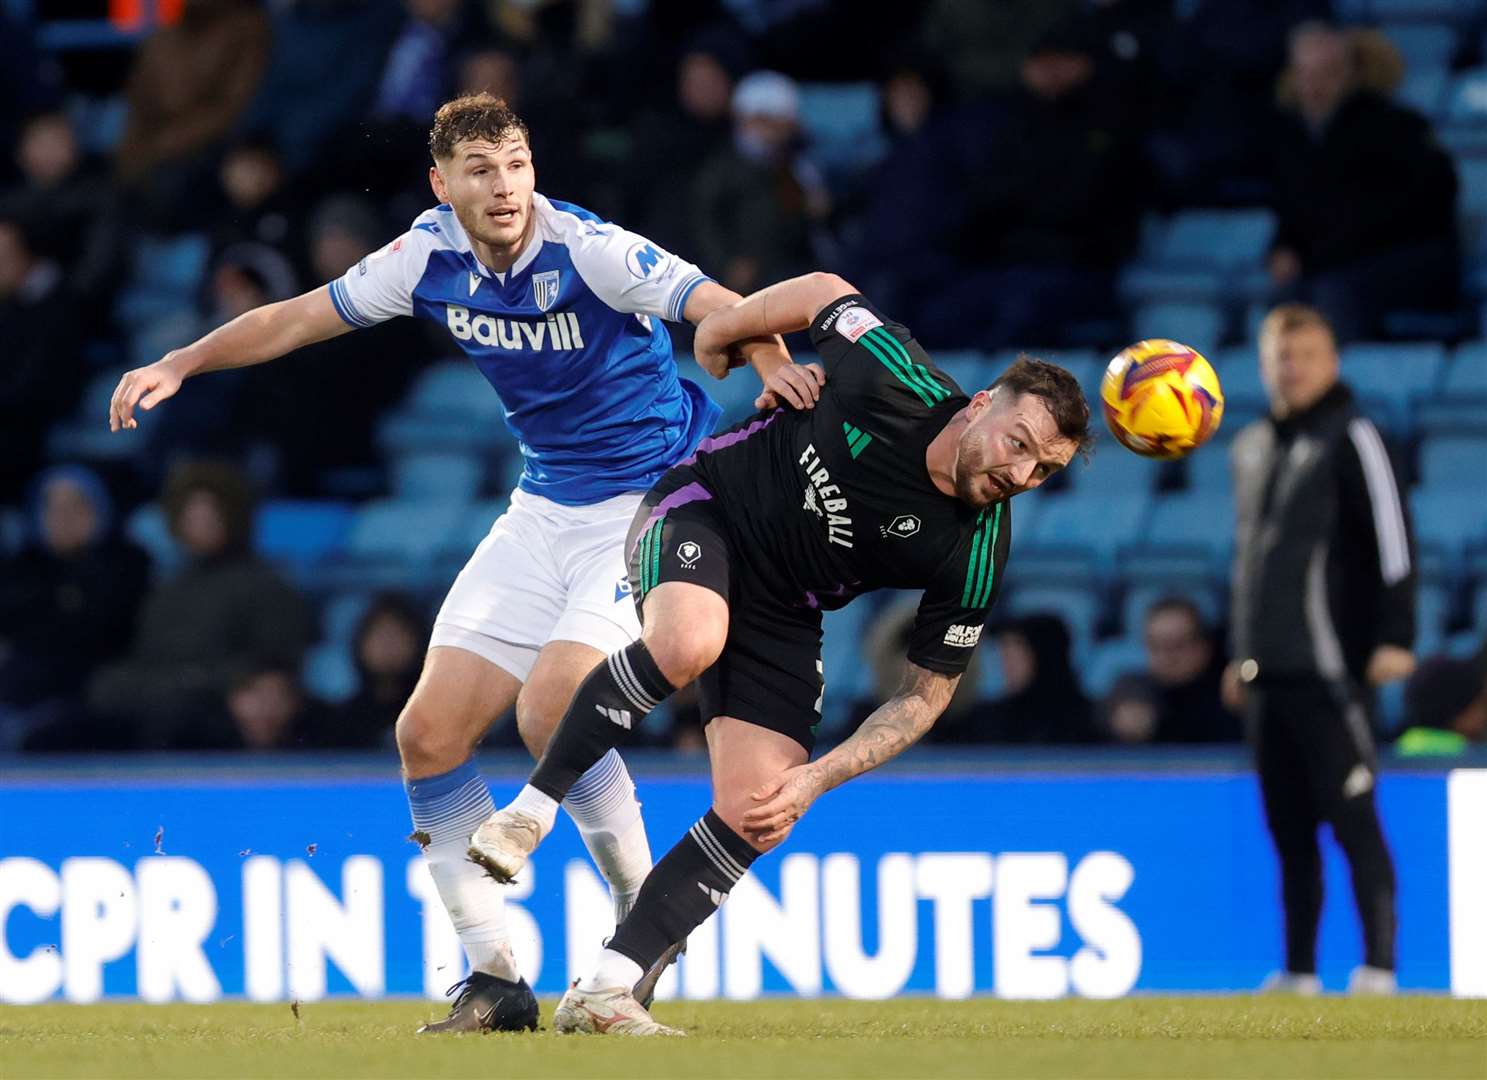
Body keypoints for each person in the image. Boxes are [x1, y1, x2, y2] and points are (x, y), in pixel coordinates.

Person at [107, 92, 818, 1033]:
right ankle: (493, 979)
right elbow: (294, 320)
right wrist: (182, 363)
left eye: (517, 164)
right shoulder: (423, 256)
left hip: (644, 504)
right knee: (428, 736)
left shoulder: (590, 249)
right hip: (542, 505)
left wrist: (769, 362)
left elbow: (717, 305)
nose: (505, 187)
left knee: (550, 708)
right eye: (482, 171)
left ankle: (642, 925)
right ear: (442, 185)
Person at [470, 272, 1088, 1035]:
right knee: (690, 638)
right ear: (979, 406)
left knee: (761, 811)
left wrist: (815, 781)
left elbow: (923, 697)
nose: (1018, 475)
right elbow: (825, 288)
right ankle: (527, 815)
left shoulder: (975, 549)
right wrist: (723, 336)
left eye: (1042, 472)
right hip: (706, 508)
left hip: (783, 609)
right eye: (1017, 445)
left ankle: (606, 989)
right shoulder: (894, 374)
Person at [1226, 303, 1416, 996]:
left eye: (1304, 353)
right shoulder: (1250, 446)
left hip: (1331, 667)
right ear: (1263, 361)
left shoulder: (1353, 435)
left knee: (1352, 818)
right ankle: (1300, 970)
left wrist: (1395, 635)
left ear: (1331, 361)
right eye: (1280, 353)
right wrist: (1238, 653)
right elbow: (1250, 564)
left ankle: (1378, 967)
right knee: (1287, 830)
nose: (1292, 366)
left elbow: (1392, 538)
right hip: (1266, 670)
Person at [86, 462, 310, 747]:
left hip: (224, 710)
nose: (200, 520)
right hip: (160, 698)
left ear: (233, 516)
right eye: (192, 512)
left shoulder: (266, 585)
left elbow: (272, 665)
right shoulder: (168, 588)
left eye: (211, 512)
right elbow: (145, 659)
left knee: (174, 719)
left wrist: (195, 681)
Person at [1266, 22, 1458, 342]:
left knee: (1333, 295)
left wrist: (1314, 256)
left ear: (1352, 73)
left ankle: (1337, 387)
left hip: (1406, 261)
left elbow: (1416, 207)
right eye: (1305, 74)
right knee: (1282, 301)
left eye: (1327, 72)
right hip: (1334, 264)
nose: (1315, 86)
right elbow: (1291, 212)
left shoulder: (1395, 128)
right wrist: (1283, 248)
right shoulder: (1293, 140)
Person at [0, 467, 150, 750]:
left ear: (99, 510)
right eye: (53, 508)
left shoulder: (127, 564)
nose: (64, 518)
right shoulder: (22, 568)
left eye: (76, 506)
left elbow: (112, 631)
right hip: (23, 688)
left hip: (97, 690)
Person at [1104, 597, 1238, 744]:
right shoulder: (1135, 692)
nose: (1167, 657)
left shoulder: (1230, 698)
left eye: (1178, 645)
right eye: (1156, 645)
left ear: (1204, 646)